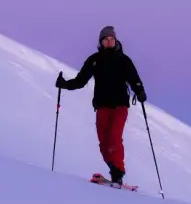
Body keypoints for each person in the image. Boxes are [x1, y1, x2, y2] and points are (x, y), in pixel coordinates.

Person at [56, 25, 147, 184]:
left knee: (114, 138)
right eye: (106, 39)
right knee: (104, 143)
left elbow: (134, 79)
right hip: (102, 106)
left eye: (112, 39)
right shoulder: (95, 60)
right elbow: (80, 81)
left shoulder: (123, 60)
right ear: (101, 42)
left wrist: (140, 91)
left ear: (115, 41)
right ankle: (114, 171)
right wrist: (64, 84)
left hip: (120, 106)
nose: (109, 42)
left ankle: (118, 173)